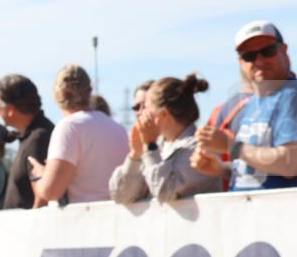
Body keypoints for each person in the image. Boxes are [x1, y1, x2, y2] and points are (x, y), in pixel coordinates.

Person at [192, 21, 297, 190]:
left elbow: (290, 163)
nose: (260, 60)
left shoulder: (291, 95)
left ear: (284, 51)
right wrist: (221, 169)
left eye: (267, 51)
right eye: (249, 55)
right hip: (254, 212)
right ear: (241, 62)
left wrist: (231, 147)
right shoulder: (251, 103)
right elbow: (256, 172)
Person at [109, 74, 221, 204]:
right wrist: (135, 155)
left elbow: (165, 192)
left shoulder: (200, 148)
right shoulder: (158, 147)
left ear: (163, 114)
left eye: (146, 108)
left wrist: (150, 146)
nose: (141, 114)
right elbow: (121, 196)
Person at [29, 64, 129, 205]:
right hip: (118, 217)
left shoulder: (69, 127)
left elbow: (51, 192)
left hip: (83, 220)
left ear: (57, 94)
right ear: (89, 91)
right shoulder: (118, 128)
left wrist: (40, 176)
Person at [0, 74, 54, 210]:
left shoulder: (38, 139)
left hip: (29, 228)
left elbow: (42, 197)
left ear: (10, 110)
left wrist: (30, 227)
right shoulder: (33, 136)